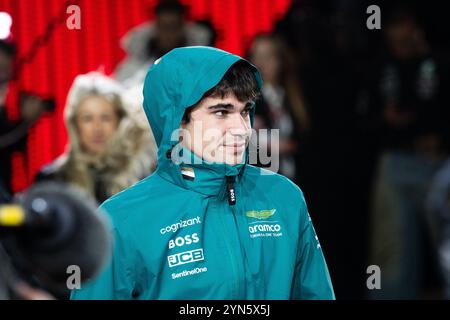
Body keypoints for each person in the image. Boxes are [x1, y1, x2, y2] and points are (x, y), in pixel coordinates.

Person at [70, 46, 334, 300]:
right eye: (221, 112)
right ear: (176, 120)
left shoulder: (284, 197)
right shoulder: (120, 221)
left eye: (245, 111)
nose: (242, 129)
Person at [35, 72, 156, 204]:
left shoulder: (141, 177)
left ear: (119, 120)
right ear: (75, 123)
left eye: (105, 118)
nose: (97, 128)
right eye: (87, 118)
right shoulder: (52, 181)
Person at [248, 33, 310, 183]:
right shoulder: (247, 100)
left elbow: (304, 141)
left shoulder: (293, 97)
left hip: (292, 181)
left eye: (268, 56)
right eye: (256, 56)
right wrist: (273, 145)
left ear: (281, 61)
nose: (261, 63)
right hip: (260, 185)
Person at [114, 0, 213, 88]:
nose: (169, 34)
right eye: (165, 27)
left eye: (173, 27)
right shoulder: (136, 66)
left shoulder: (200, 65)